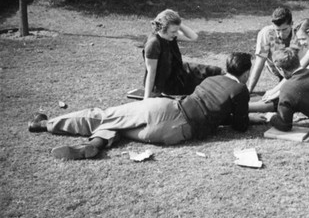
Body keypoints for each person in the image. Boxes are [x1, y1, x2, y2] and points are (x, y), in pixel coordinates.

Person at [29, 53, 260, 160]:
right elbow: (239, 125)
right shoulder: (240, 90)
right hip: (173, 134)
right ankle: (95, 145)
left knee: (107, 116)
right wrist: (244, 118)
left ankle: (44, 124)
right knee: (119, 128)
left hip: (168, 109)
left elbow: (213, 107)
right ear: (246, 72)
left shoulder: (211, 80)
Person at [143, 9, 223, 98]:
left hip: (179, 71)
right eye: (173, 31)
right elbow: (151, 73)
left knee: (217, 71)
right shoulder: (153, 44)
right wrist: (146, 99)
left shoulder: (169, 36)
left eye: (177, 31)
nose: (176, 34)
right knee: (205, 86)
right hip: (169, 83)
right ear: (162, 29)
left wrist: (177, 22)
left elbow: (193, 37)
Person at [247, 6, 303, 93]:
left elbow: (303, 64)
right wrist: (249, 90)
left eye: (284, 29)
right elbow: (259, 63)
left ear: (292, 24)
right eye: (277, 30)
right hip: (278, 69)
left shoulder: (300, 35)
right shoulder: (266, 33)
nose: (281, 34)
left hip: (297, 70)